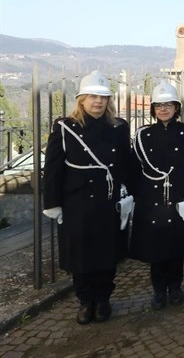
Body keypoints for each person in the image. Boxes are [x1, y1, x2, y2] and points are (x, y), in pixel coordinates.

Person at [42, 70, 134, 324]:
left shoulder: (118, 127)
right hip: (77, 203)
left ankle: (103, 300)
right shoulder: (65, 127)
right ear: (81, 99)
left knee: (107, 255)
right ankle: (85, 301)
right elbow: (52, 169)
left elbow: (126, 163)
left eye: (103, 97)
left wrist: (132, 194)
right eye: (92, 96)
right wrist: (53, 203)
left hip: (109, 201)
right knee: (80, 256)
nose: (98, 102)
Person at [129, 80, 184, 310]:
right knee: (155, 248)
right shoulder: (143, 135)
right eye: (158, 106)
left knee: (177, 246)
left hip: (179, 195)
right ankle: (158, 289)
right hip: (152, 198)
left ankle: (175, 286)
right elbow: (135, 167)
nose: (163, 109)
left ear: (176, 107)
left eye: (168, 105)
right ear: (153, 109)